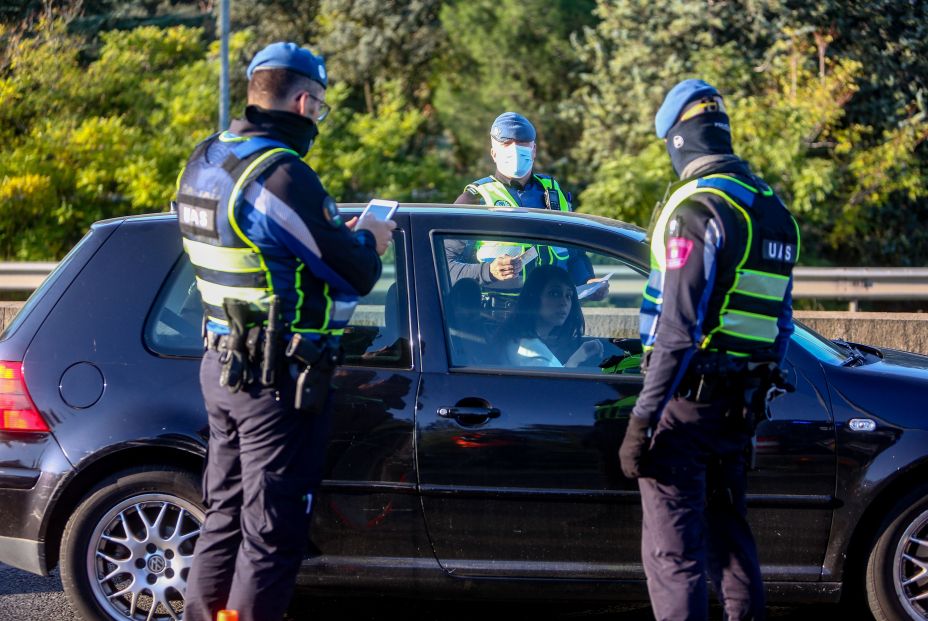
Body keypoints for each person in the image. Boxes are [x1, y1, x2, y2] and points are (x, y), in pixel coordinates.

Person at [175, 42, 395, 621]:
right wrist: (369, 238)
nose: (317, 118)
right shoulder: (279, 175)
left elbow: (265, 248)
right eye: (319, 107)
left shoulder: (206, 159)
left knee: (224, 516)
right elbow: (355, 272)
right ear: (304, 102)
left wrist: (333, 238)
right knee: (270, 533)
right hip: (274, 380)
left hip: (221, 364)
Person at [618, 79, 800, 621]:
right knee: (732, 546)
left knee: (675, 558)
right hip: (738, 408)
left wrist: (641, 422)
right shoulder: (772, 211)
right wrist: (755, 396)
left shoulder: (699, 208)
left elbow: (676, 330)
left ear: (677, 140)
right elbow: (782, 324)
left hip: (686, 409)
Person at [445, 112, 606, 305]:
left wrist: (587, 281)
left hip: (553, 313)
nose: (514, 150)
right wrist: (488, 272)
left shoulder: (553, 192)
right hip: (498, 315)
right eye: (506, 143)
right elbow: (443, 267)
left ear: (534, 150)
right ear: (494, 153)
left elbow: (574, 253)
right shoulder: (474, 199)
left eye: (522, 143)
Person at [499, 265, 603, 368]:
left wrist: (577, 358)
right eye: (555, 293)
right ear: (534, 297)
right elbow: (555, 378)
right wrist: (574, 362)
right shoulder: (532, 353)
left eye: (568, 295)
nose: (564, 302)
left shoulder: (522, 341)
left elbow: (553, 374)